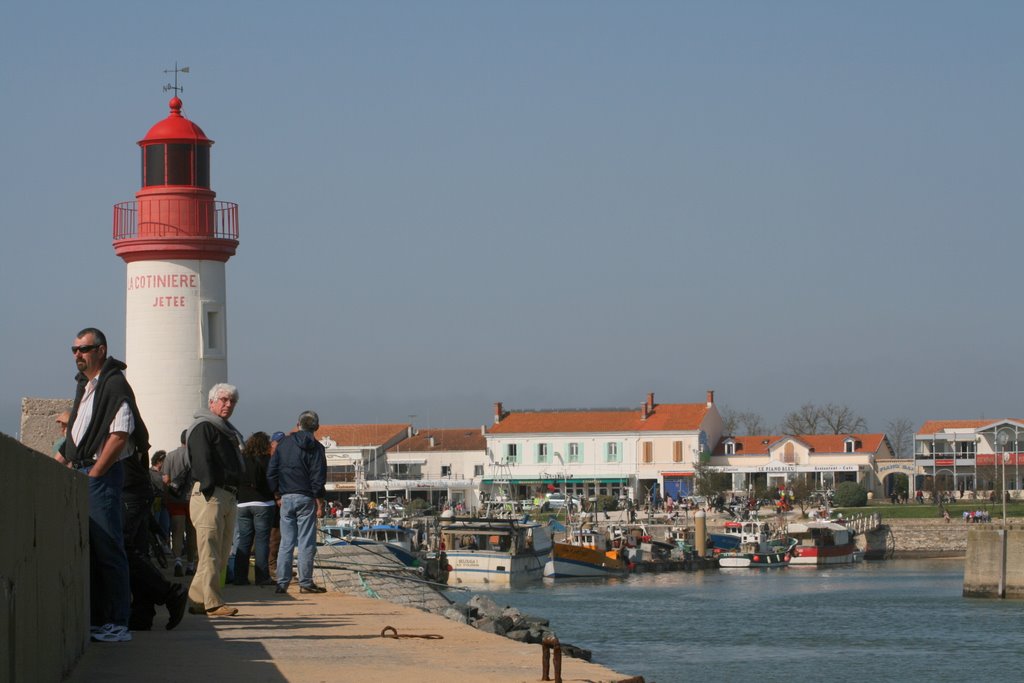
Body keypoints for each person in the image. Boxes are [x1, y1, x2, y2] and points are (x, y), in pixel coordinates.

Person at [57, 327, 149, 643]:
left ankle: (117, 622)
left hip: (101, 478)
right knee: (93, 550)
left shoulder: (114, 385)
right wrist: (61, 462)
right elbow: (75, 438)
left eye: (83, 348)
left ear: (101, 350)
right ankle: (100, 619)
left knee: (110, 548)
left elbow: (120, 432)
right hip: (83, 473)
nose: (77, 355)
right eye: (74, 349)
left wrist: (95, 474)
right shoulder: (86, 387)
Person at [186, 383, 245, 617]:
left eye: (232, 401)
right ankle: (213, 603)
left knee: (219, 553)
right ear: (211, 402)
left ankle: (197, 599)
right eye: (223, 400)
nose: (228, 404)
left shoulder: (225, 429)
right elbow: (202, 460)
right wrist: (210, 488)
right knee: (210, 551)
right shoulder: (204, 427)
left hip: (226, 495)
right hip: (212, 494)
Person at [122, 446, 188, 631]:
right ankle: (142, 615)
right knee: (137, 552)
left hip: (128, 490)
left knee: (125, 551)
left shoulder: (118, 421)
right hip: (137, 491)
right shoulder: (134, 433)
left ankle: (168, 593)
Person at [268, 411, 328, 594]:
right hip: (306, 497)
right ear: (316, 427)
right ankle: (305, 582)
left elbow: (272, 471)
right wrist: (319, 500)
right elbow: (319, 476)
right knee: (306, 542)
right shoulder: (317, 448)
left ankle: (282, 582)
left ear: (297, 424)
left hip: (286, 497)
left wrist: (277, 495)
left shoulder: (283, 444)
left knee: (286, 542)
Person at [233, 431, 277, 586]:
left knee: (244, 540)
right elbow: (272, 481)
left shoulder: (241, 460)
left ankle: (240, 577)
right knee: (261, 541)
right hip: (263, 503)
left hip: (243, 503)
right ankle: (262, 576)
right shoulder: (267, 460)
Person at [164, 429, 198, 577]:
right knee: (192, 533)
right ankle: (190, 565)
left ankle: (177, 561)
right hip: (193, 499)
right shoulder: (196, 456)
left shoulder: (170, 456)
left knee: (177, 532)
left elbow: (165, 479)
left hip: (175, 499)